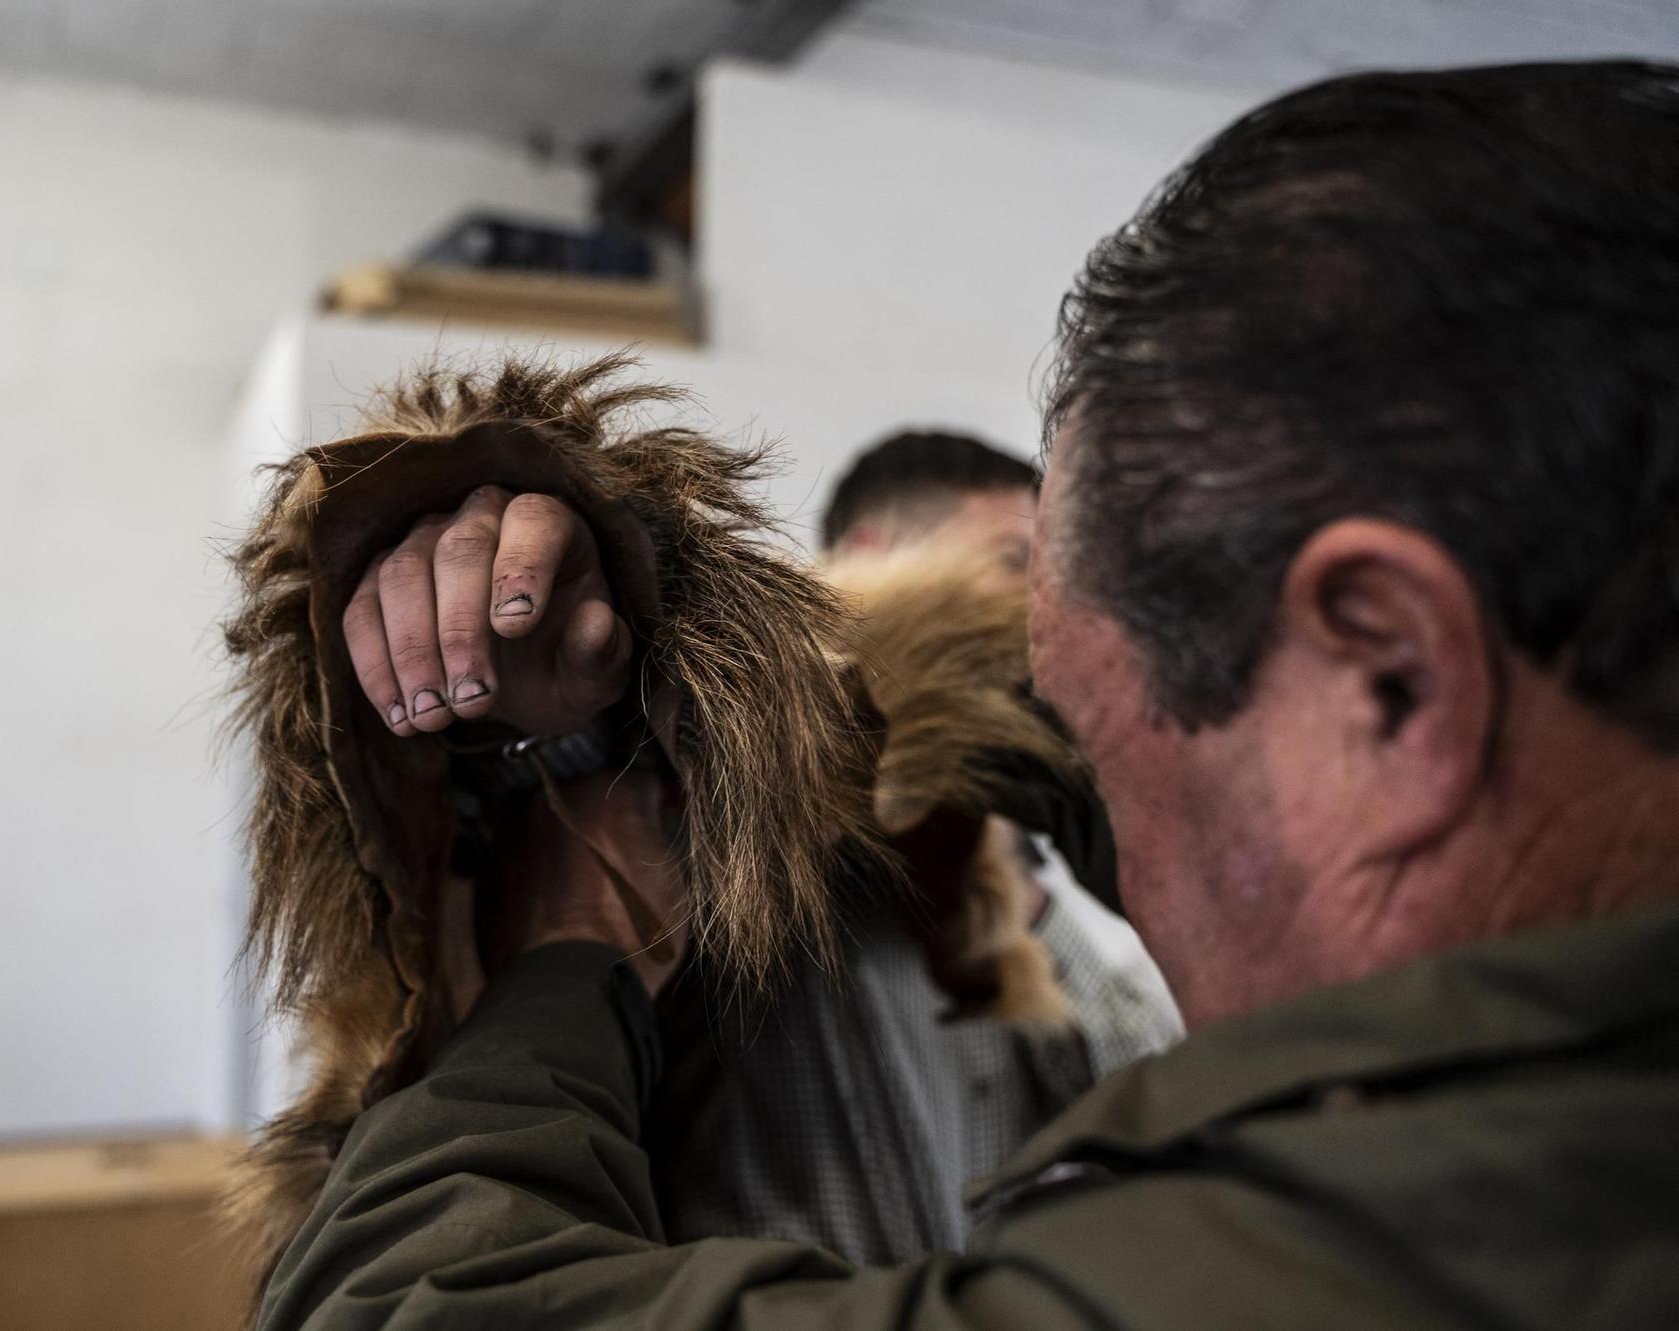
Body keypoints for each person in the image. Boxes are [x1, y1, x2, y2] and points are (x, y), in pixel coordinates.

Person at [257, 61, 1679, 1328]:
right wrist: (657, 646)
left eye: (1097, 735)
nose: (1099, 828)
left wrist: (565, 951)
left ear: (1391, 681)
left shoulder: (1378, 1229)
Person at [650, 430, 1180, 1263]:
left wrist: (1020, 897)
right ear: (873, 556)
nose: (1039, 615)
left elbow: (1150, 1100)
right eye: (1015, 562)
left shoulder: (1035, 850)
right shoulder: (705, 805)